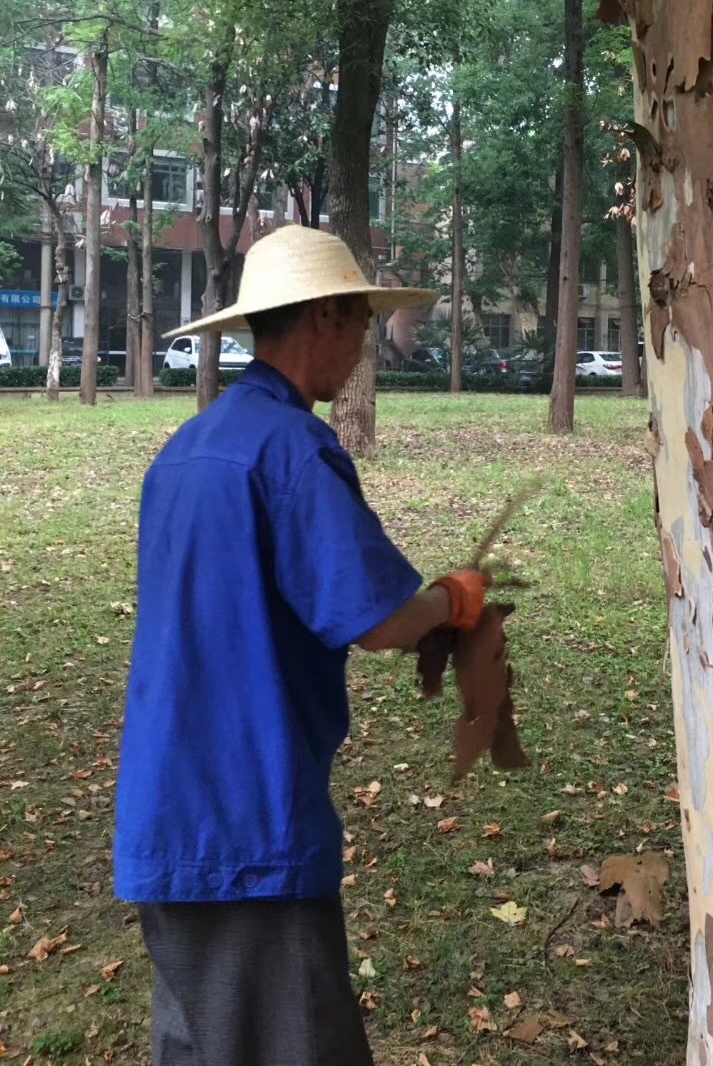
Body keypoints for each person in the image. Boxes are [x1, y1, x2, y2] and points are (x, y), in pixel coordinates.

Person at [113, 225, 489, 1066]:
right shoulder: (290, 449)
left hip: (165, 814)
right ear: (324, 317)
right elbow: (378, 619)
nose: (360, 351)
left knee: (204, 1046)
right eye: (357, 327)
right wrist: (451, 601)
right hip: (248, 824)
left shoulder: (186, 448)